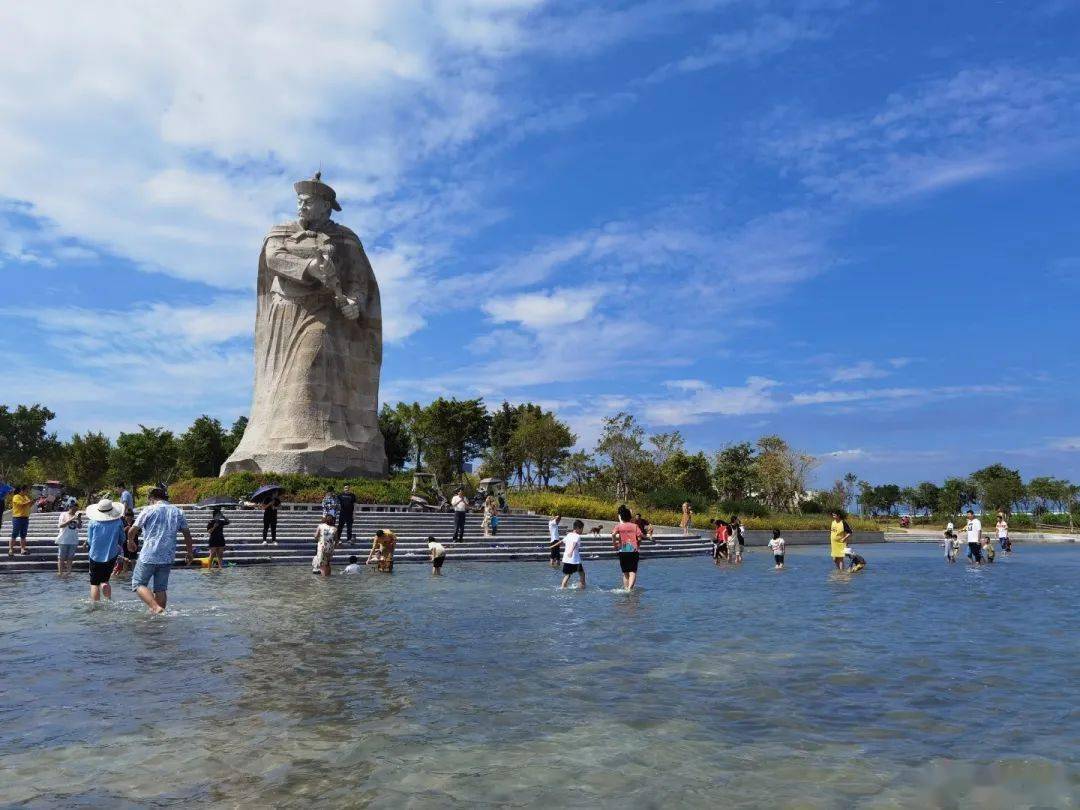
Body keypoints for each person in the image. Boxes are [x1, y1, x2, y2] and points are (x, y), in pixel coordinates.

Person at [127, 485, 194, 614]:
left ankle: (155, 607)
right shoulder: (177, 511)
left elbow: (132, 530)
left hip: (149, 554)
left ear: (152, 498)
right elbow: (187, 534)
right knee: (160, 588)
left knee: (138, 584)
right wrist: (189, 552)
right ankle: (159, 616)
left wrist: (130, 542)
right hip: (167, 555)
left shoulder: (149, 510)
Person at [85, 498, 124, 602]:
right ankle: (108, 600)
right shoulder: (118, 522)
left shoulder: (93, 522)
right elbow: (122, 539)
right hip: (111, 554)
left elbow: (89, 540)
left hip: (95, 555)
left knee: (94, 583)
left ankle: (95, 605)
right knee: (105, 580)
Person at [612, 504, 644, 590]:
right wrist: (638, 544)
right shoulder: (635, 526)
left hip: (623, 551)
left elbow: (613, 534)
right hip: (633, 550)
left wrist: (615, 544)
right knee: (632, 571)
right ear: (630, 517)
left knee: (625, 573)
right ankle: (630, 589)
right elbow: (640, 537)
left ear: (621, 517)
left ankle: (626, 589)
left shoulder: (619, 526)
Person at [56, 502, 82, 575]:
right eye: (74, 509)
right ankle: (60, 573)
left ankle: (68, 572)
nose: (75, 511)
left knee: (70, 557)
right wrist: (71, 519)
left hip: (73, 539)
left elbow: (79, 527)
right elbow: (61, 525)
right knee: (61, 557)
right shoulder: (63, 514)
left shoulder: (76, 516)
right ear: (70, 507)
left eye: (76, 509)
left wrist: (79, 520)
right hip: (63, 539)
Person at [559, 519, 587, 590]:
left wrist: (554, 545)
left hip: (566, 559)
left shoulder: (568, 535)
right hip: (575, 560)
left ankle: (562, 587)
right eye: (582, 529)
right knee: (582, 574)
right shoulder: (577, 536)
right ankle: (582, 588)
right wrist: (571, 551)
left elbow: (562, 541)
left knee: (567, 575)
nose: (582, 531)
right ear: (577, 528)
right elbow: (574, 543)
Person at [8, 484, 32, 557]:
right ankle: (11, 549)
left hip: (25, 518)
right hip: (17, 517)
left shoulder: (26, 497)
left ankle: (23, 549)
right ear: (22, 490)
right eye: (26, 490)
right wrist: (29, 502)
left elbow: (28, 505)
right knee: (14, 533)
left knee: (23, 534)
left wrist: (32, 502)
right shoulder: (16, 497)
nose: (27, 491)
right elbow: (21, 504)